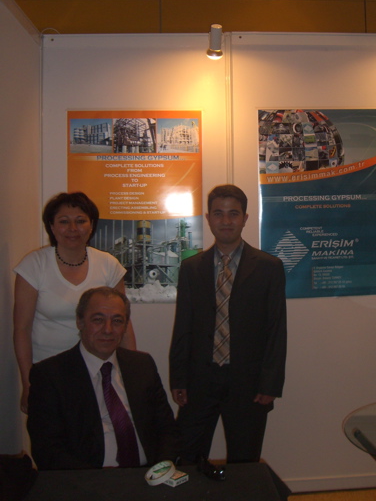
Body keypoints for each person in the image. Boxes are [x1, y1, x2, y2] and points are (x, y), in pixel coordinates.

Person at [169, 184, 287, 464]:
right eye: (218, 214)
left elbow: (276, 330)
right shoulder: (191, 268)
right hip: (200, 380)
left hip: (248, 383)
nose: (226, 221)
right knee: (187, 458)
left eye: (233, 214)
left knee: (245, 461)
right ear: (208, 218)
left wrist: (270, 383)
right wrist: (178, 378)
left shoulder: (269, 267)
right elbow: (182, 326)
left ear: (245, 218)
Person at [27, 287, 180, 470]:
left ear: (125, 326)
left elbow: (167, 429)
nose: (108, 330)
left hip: (148, 474)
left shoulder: (142, 365)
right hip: (86, 479)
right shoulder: (50, 375)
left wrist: (161, 471)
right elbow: (46, 450)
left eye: (117, 321)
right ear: (80, 321)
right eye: (98, 320)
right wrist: (95, 482)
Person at [13, 191, 136, 413]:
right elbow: (22, 329)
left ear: (91, 225)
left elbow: (124, 325)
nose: (73, 228)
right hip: (48, 371)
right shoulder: (34, 265)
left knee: (101, 429)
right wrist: (28, 382)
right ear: (51, 227)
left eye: (80, 221)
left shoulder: (108, 265)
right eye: (64, 221)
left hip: (100, 369)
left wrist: (131, 372)